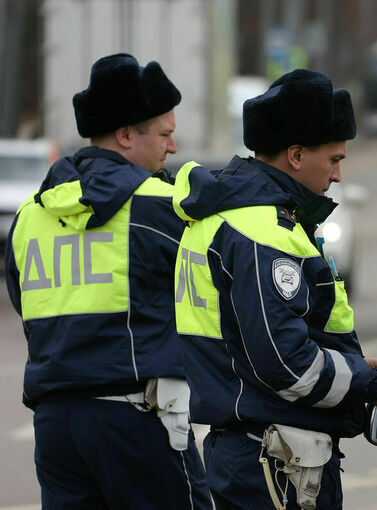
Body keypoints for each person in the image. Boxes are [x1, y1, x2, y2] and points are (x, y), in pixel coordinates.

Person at [172, 68, 377, 509]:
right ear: (297, 154)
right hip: (275, 464)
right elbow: (287, 364)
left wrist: (356, 364)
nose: (339, 174)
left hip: (255, 454)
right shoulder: (260, 229)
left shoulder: (230, 217)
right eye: (335, 159)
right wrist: (368, 384)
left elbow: (262, 341)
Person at [4, 53, 211, 509]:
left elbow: (24, 302)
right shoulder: (157, 205)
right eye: (164, 134)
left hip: (56, 429)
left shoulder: (30, 216)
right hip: (136, 418)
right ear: (125, 135)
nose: (172, 149)